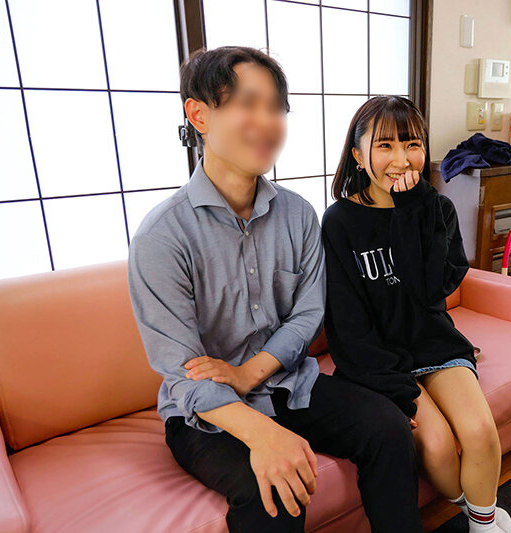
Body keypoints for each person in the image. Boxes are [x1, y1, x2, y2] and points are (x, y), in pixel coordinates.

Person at [127, 46, 422, 533]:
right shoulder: (162, 236)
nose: (267, 122)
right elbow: (182, 372)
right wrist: (261, 433)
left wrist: (249, 373)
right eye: (248, 103)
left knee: (389, 427)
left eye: (276, 108)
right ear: (199, 115)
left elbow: (308, 313)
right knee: (275, 491)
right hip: (207, 412)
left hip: (288, 384)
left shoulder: (298, 214)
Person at [321, 96, 511, 533]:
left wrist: (412, 211)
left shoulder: (436, 209)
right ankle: (474, 507)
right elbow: (346, 324)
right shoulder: (339, 222)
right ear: (358, 155)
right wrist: (397, 387)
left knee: (480, 432)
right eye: (384, 145)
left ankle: (483, 524)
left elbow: (432, 293)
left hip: (435, 345)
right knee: (438, 445)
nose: (401, 158)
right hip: (380, 362)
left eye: (412, 144)